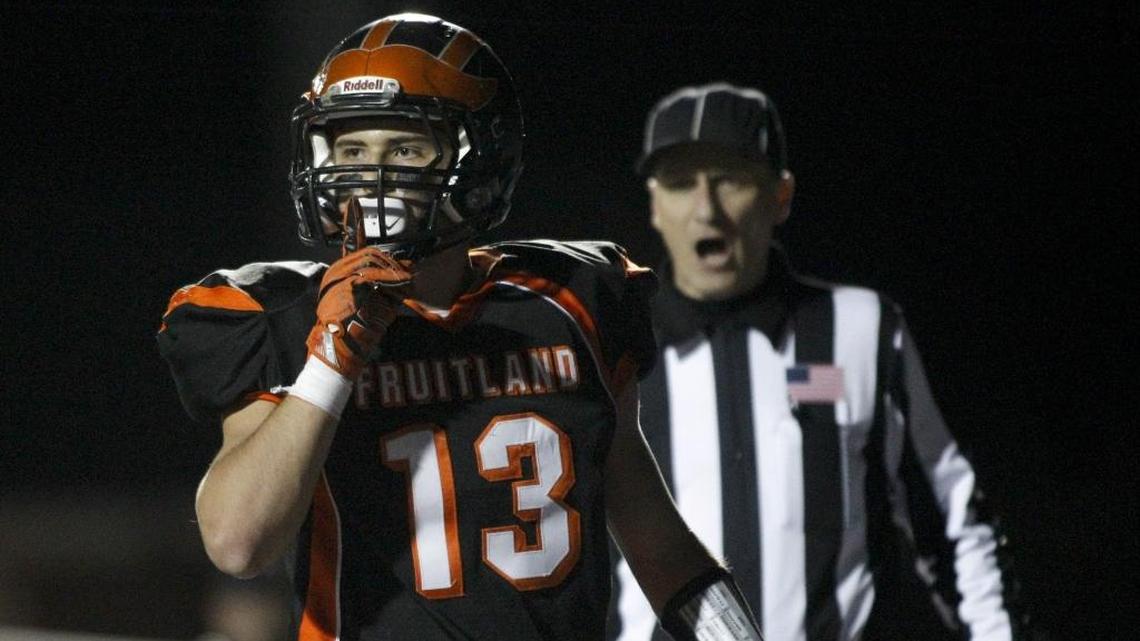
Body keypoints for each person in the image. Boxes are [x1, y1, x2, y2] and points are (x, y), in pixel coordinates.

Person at [158, 15, 764, 641]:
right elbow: (238, 544)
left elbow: (659, 545)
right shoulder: (282, 321)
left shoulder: (571, 303)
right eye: (351, 150)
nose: (374, 177)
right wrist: (335, 355)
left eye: (405, 148)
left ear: (477, 157)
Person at [610, 83, 1030, 641]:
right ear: (655, 204)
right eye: (682, 184)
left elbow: (953, 523)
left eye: (730, 179)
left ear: (780, 196)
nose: (707, 209)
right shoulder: (610, 350)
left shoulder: (861, 331)